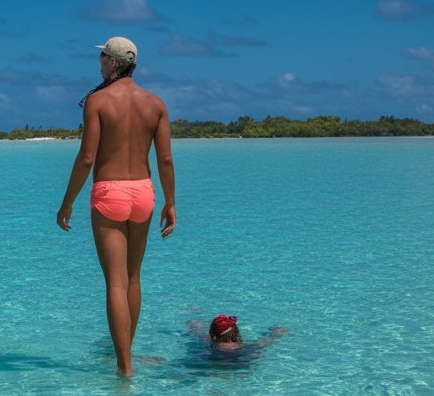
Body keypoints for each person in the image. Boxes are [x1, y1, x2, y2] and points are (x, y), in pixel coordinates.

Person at [57, 36, 176, 377]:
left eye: (102, 58)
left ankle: (124, 368)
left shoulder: (97, 101)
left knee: (115, 283)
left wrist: (67, 203)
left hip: (109, 193)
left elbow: (87, 158)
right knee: (133, 279)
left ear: (112, 62)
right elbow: (165, 158)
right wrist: (170, 202)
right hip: (143, 192)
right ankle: (127, 356)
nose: (99, 63)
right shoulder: (155, 104)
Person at [189, 314, 288, 358]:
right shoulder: (247, 348)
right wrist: (277, 333)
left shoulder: (208, 343)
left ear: (212, 332)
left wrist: (195, 323)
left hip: (213, 365)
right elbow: (268, 340)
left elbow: (197, 331)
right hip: (239, 366)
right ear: (236, 331)